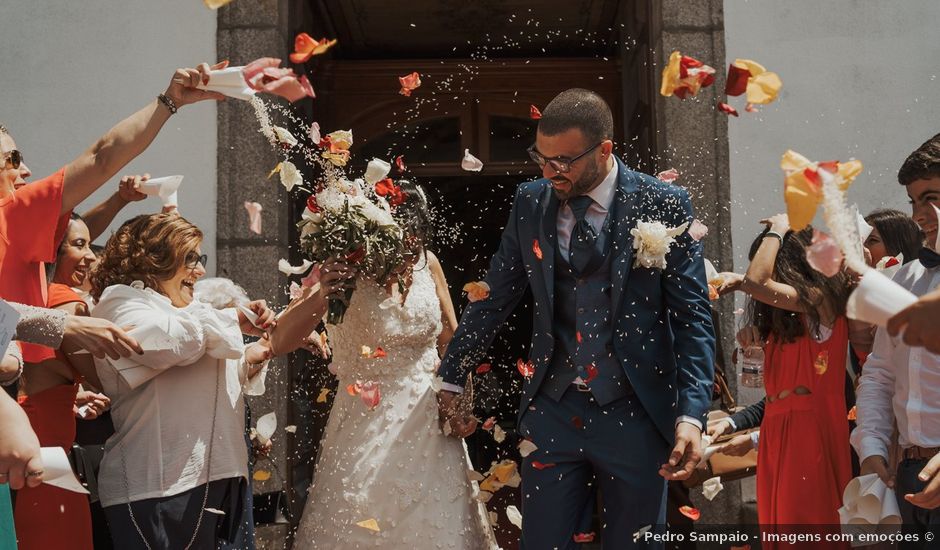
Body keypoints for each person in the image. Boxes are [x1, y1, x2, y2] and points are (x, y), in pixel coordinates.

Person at [436, 88, 715, 548]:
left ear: (604, 149)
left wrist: (691, 416)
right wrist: (450, 378)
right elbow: (494, 297)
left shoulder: (662, 202)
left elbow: (692, 319)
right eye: (541, 158)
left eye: (562, 161)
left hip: (636, 411)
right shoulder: (531, 202)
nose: (549, 172)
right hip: (553, 408)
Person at [293, 181, 499, 549]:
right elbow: (289, 331)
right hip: (363, 418)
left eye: (415, 243)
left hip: (428, 420)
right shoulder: (341, 273)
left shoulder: (428, 264)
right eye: (399, 243)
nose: (409, 254)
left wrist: (461, 404)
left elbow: (451, 339)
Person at [0, 60, 224, 364]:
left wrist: (118, 200)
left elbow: (73, 234)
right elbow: (102, 157)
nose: (25, 169)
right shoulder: (11, 213)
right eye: (12, 159)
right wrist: (169, 102)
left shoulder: (18, 222)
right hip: (24, 396)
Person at [89, 213, 276, 549]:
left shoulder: (188, 310)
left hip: (222, 476)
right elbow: (165, 345)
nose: (201, 271)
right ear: (154, 260)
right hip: (159, 487)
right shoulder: (119, 302)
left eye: (199, 258)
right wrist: (229, 317)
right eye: (190, 258)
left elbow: (209, 366)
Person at [718, 218, 860, 545]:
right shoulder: (788, 322)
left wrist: (778, 229)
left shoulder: (823, 299)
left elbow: (757, 281)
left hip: (810, 432)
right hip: (776, 433)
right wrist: (756, 344)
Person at [853, 133, 940, 542]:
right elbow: (881, 372)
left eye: (932, 197)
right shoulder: (905, 278)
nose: (920, 214)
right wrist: (870, 445)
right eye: (914, 201)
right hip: (907, 474)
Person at [12, 213, 104, 550]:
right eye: (79, 245)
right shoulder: (66, 301)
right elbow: (106, 377)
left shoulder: (36, 298)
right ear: (54, 252)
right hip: (46, 464)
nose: (92, 256)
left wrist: (73, 398)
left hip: (37, 457)